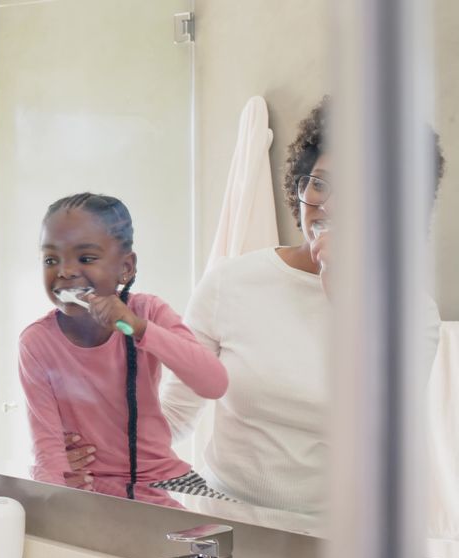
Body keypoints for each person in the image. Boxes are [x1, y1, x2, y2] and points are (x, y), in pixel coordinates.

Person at [161, 96, 444, 513]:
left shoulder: (413, 313)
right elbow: (174, 414)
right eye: (320, 183)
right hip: (225, 521)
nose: (327, 205)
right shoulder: (229, 283)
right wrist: (100, 435)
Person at [18, 193, 229, 501]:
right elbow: (47, 452)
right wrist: (57, 495)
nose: (64, 271)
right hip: (88, 491)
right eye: (51, 260)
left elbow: (214, 382)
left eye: (86, 258)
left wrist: (140, 329)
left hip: (156, 487)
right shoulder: (37, 343)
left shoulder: (148, 313)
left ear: (125, 268)